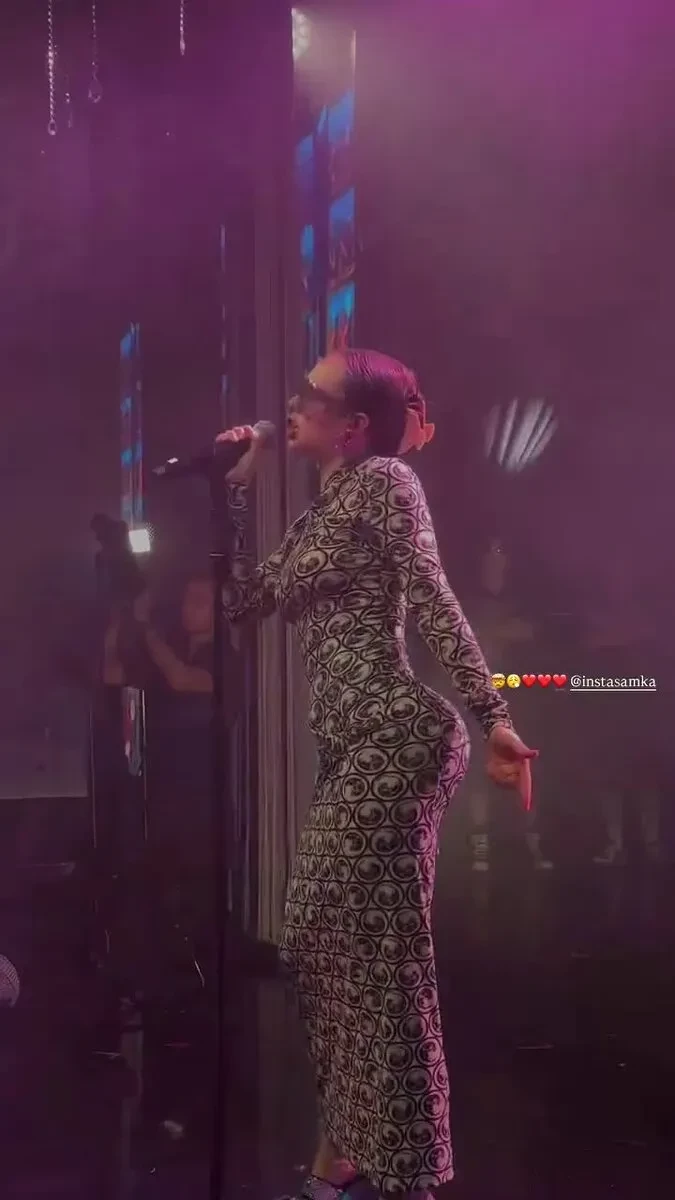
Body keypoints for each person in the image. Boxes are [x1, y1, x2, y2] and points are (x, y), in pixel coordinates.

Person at [218, 349, 536, 1200]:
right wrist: (237, 490)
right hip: (352, 746)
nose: (292, 403)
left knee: (379, 957)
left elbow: (431, 594)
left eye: (310, 395)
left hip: (397, 736)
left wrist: (493, 717)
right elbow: (241, 604)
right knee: (325, 943)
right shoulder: (322, 512)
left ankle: (404, 1173)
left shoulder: (387, 482)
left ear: (352, 426)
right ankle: (347, 1150)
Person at [463, 538, 553, 873]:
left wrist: (501, 631)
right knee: (479, 774)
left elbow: (532, 632)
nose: (495, 563)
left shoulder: (519, 601)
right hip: (480, 696)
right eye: (489, 558)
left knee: (525, 766)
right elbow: (468, 637)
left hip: (517, 693)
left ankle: (531, 844)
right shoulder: (469, 602)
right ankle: (480, 848)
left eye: (500, 557)